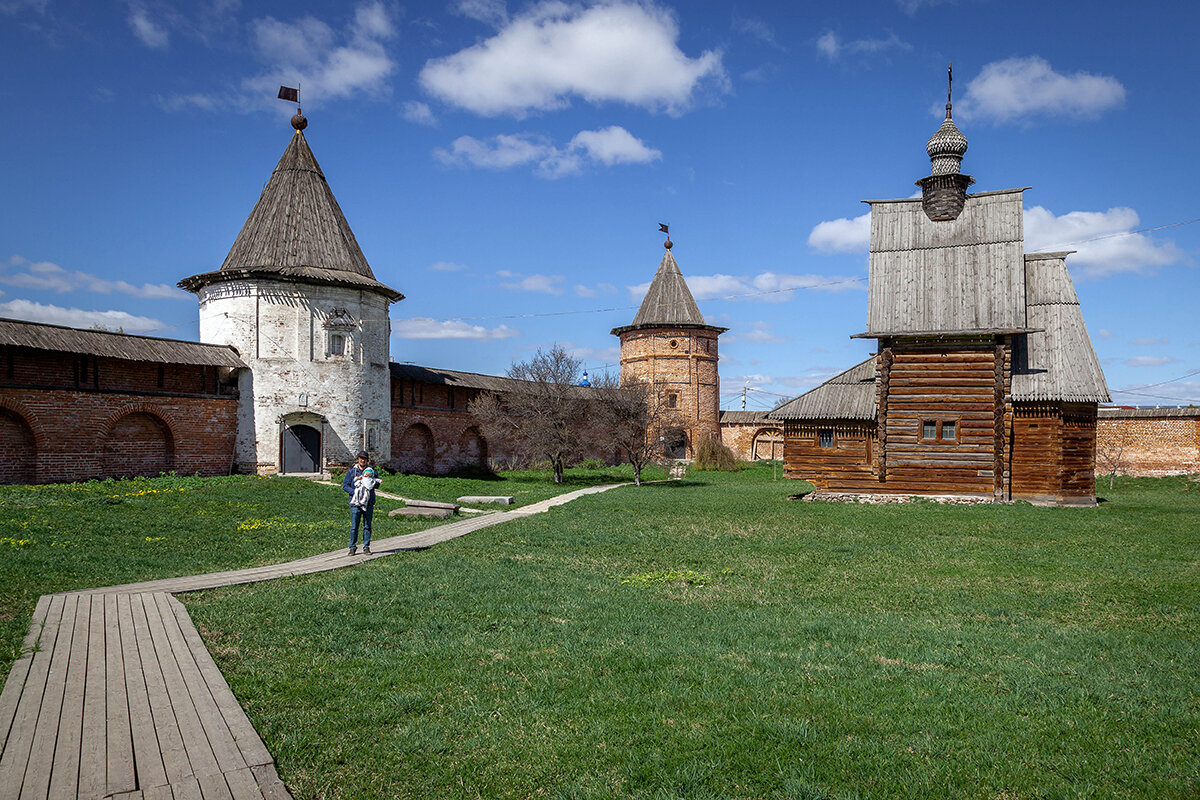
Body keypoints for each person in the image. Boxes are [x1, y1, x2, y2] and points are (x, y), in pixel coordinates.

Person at [342, 450, 379, 555]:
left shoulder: (372, 471)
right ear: (358, 459)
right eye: (361, 458)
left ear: (367, 461)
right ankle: (352, 547)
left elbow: (377, 485)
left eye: (365, 459)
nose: (363, 460)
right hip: (355, 503)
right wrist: (355, 493)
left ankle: (366, 547)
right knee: (354, 526)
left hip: (368, 502)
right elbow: (345, 486)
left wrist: (370, 478)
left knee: (367, 526)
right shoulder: (351, 472)